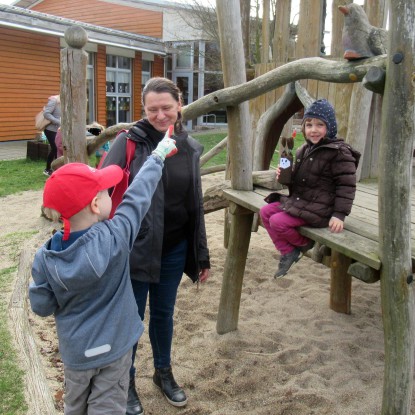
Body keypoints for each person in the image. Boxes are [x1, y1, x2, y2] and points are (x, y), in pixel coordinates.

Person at [28, 136, 178, 415]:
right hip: (115, 349)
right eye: (108, 192)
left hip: (76, 355)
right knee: (108, 407)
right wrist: (158, 156)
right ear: (96, 205)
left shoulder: (45, 258)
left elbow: (41, 306)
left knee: (76, 406)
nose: (113, 195)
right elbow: (137, 196)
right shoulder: (116, 237)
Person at [101, 77, 210, 414]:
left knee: (163, 314)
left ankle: (163, 373)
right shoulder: (129, 143)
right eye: (153, 109)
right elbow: (99, 191)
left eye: (167, 108)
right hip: (134, 249)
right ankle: (126, 381)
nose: (161, 115)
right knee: (130, 319)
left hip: (174, 248)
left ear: (179, 105)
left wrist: (200, 254)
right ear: (143, 110)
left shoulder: (188, 147)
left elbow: (195, 203)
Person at [260, 99, 360, 279]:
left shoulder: (339, 152)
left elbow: (347, 186)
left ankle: (304, 244)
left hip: (321, 208)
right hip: (303, 201)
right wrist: (285, 176)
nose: (313, 129)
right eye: (309, 125)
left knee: (278, 222)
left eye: (320, 125)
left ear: (329, 127)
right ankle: (288, 251)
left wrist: (339, 214)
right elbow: (299, 182)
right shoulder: (303, 150)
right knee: (266, 212)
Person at [43, 94, 61, 176]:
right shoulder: (54, 100)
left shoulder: (66, 102)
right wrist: (57, 121)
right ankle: (49, 169)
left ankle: (55, 169)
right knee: (55, 148)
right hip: (51, 129)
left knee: (57, 149)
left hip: (60, 130)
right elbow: (46, 113)